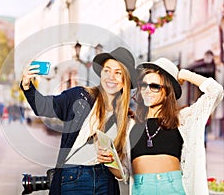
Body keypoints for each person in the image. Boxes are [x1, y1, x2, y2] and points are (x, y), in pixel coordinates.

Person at [20, 47, 137, 195]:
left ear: (125, 79)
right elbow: (44, 107)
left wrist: (111, 162)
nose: (111, 77)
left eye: (118, 73)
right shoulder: (80, 96)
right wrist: (27, 85)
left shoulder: (127, 121)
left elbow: (123, 174)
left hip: (105, 182)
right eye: (107, 70)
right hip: (73, 178)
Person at [127, 58, 223, 195]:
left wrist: (184, 74)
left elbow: (216, 91)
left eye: (154, 86)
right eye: (144, 85)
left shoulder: (182, 119)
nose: (147, 90)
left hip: (172, 187)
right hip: (140, 188)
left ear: (166, 92)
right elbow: (124, 171)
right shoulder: (132, 124)